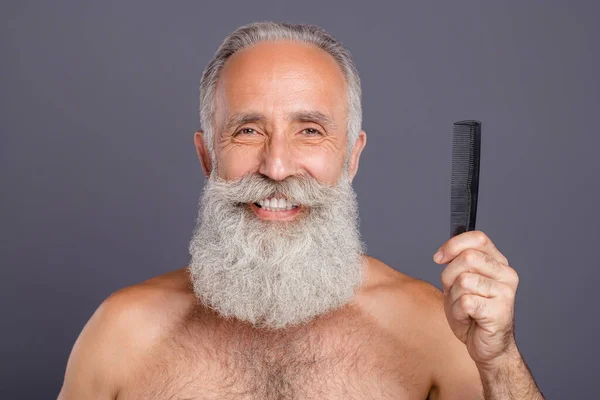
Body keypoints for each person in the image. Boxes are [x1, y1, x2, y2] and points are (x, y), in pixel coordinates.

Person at [58, 22, 544, 399]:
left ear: (352, 156)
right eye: (247, 130)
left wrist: (498, 360)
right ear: (208, 156)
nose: (276, 165)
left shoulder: (433, 330)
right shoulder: (123, 333)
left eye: (309, 130)